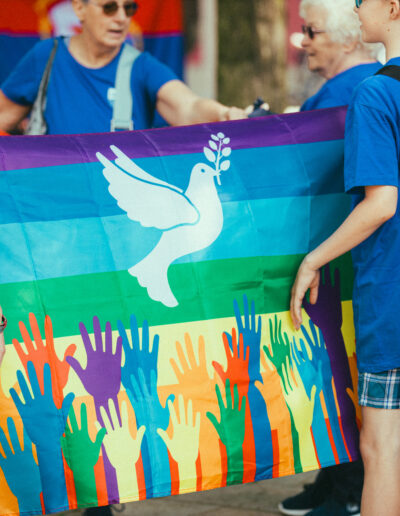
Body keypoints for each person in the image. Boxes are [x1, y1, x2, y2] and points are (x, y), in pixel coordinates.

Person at [290, 0, 400, 515]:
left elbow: (381, 204)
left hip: (391, 296)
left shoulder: (376, 93)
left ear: (392, 8)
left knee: (382, 449)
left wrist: (314, 259)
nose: (355, 6)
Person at [0, 0, 246, 134]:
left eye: (129, 8)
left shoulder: (142, 66)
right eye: (109, 7)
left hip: (117, 207)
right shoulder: (46, 57)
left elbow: (187, 106)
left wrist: (223, 114)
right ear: (79, 8)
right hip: (57, 203)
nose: (121, 18)